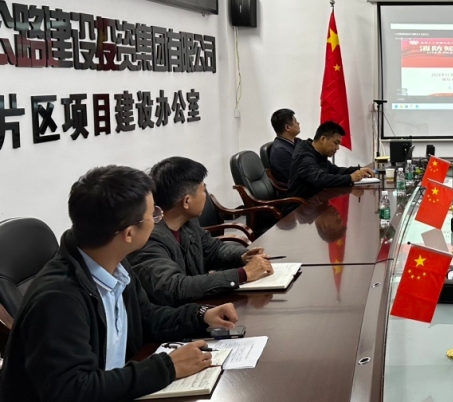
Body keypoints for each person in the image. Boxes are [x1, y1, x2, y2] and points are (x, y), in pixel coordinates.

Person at [0, 166, 240, 402]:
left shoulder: (115, 264)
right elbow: (73, 390)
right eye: (153, 214)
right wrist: (167, 367)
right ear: (129, 234)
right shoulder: (58, 298)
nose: (157, 220)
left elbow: (146, 318)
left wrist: (201, 316)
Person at [129, 157, 274, 307]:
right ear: (187, 201)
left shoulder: (188, 223)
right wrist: (243, 274)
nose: (206, 195)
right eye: (203, 190)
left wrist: (242, 256)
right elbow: (175, 288)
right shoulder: (147, 238)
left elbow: (213, 249)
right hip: (174, 316)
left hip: (199, 309)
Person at [286, 121, 375, 200]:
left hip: (316, 203)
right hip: (299, 208)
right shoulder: (304, 155)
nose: (337, 148)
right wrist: (350, 178)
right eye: (336, 143)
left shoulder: (317, 152)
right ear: (323, 139)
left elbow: (334, 170)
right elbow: (319, 179)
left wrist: (357, 169)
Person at [269, 108, 301, 183]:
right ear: (287, 127)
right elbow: (298, 177)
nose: (298, 123)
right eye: (295, 121)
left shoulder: (297, 141)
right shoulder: (280, 151)